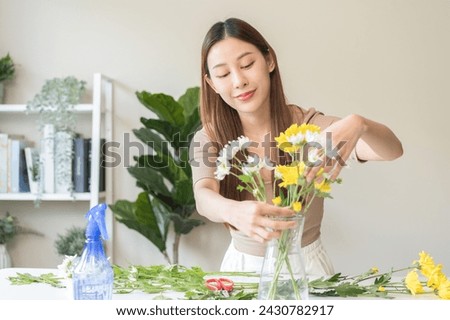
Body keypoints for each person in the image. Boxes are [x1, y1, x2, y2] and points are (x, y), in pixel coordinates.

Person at [189, 17, 403, 276]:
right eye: (223, 74)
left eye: (247, 64)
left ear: (269, 61)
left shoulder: (307, 127)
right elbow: (204, 197)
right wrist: (232, 211)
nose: (238, 81)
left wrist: (360, 124)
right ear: (212, 83)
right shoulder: (209, 137)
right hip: (241, 271)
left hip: (307, 269)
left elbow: (392, 150)